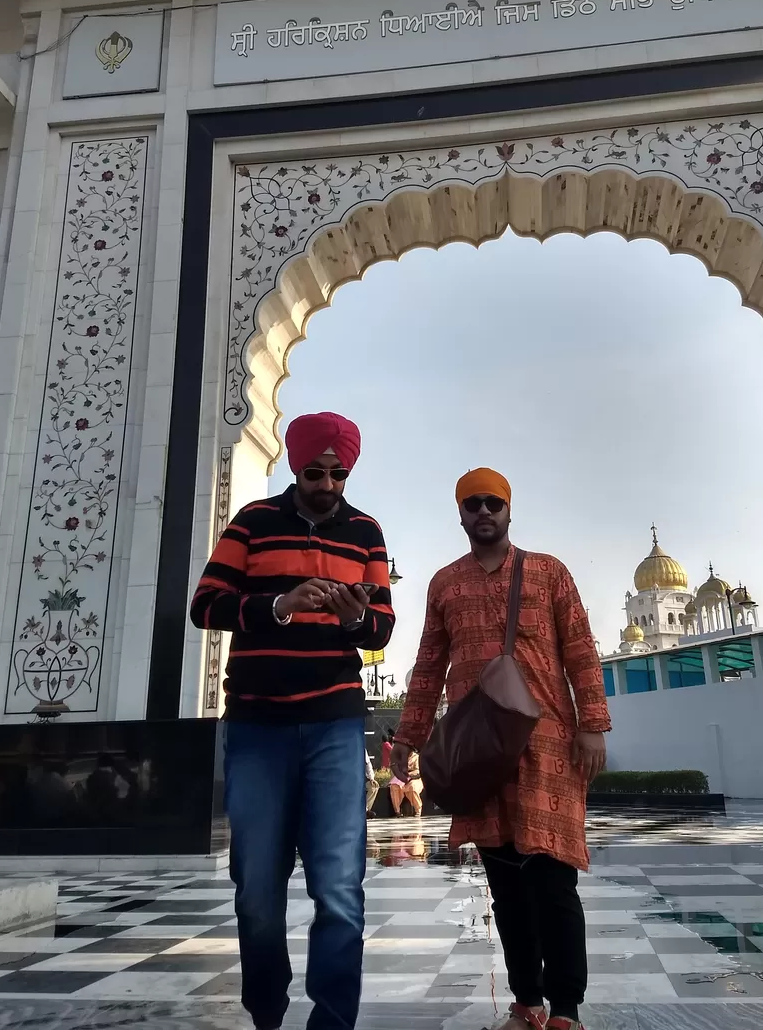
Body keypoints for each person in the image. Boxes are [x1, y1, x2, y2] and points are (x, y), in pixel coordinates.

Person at [190, 411, 395, 1030]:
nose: (328, 484)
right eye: (316, 472)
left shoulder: (366, 533)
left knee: (339, 890)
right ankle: (267, 1012)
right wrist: (278, 605)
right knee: (257, 888)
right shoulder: (252, 522)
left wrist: (355, 618)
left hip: (333, 723)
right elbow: (206, 605)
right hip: (258, 726)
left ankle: (332, 1021)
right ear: (294, 466)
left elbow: (382, 625)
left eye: (338, 473)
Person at [392, 468, 611, 1030]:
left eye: (493, 502)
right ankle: (526, 1003)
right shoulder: (445, 584)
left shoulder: (548, 572)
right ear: (460, 515)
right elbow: (428, 666)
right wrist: (409, 736)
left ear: (509, 511)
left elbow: (581, 650)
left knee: (554, 884)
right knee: (507, 887)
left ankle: (565, 1009)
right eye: (472, 504)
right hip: (480, 754)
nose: (483, 512)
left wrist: (593, 723)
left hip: (548, 748)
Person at [389, 748, 423, 817]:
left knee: (412, 788)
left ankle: (418, 810)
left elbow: (418, 771)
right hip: (401, 778)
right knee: (394, 786)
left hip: (415, 778)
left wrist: (408, 775)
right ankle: (397, 811)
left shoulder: (417, 757)